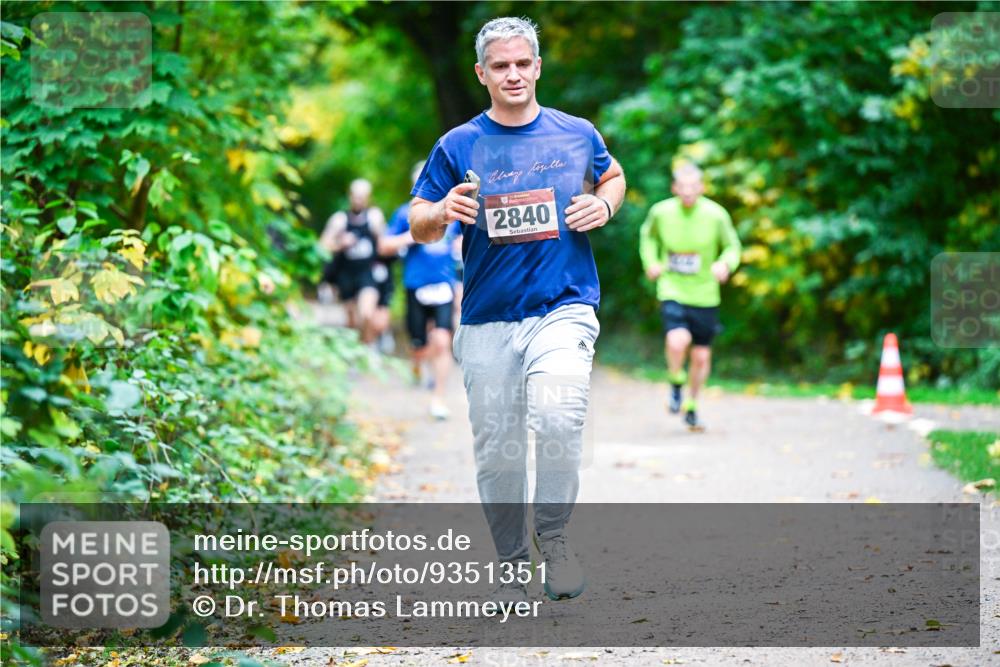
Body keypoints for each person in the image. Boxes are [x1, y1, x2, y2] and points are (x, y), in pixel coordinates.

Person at [408, 17, 626, 604]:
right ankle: (509, 560)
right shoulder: (458, 145)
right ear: (482, 73)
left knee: (559, 416)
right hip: (487, 317)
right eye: (500, 66)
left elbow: (613, 176)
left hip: (564, 306)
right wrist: (443, 211)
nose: (513, 74)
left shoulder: (575, 133)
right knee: (498, 449)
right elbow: (418, 222)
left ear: (537, 67)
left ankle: (552, 538)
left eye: (522, 63)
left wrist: (603, 206)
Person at [639, 162, 741, 432]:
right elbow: (647, 238)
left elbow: (732, 246)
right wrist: (650, 261)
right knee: (677, 340)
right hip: (672, 288)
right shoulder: (660, 212)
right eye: (682, 187)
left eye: (692, 187)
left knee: (701, 358)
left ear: (702, 188)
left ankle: (692, 406)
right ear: (674, 188)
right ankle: (675, 381)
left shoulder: (716, 215)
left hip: (706, 294)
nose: (687, 192)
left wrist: (725, 264)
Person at [381, 161, 460, 420]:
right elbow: (384, 246)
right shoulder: (405, 213)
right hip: (416, 285)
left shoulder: (452, 212)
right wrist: (411, 237)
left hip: (444, 286)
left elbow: (463, 240)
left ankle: (438, 398)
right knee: (419, 346)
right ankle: (417, 364)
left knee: (441, 341)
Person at [318, 179, 386, 345]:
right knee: (351, 320)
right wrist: (341, 243)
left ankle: (369, 347)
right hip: (346, 274)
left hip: (367, 273)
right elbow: (322, 246)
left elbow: (385, 246)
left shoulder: (374, 217)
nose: (359, 200)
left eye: (362, 197)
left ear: (368, 198)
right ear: (350, 196)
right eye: (356, 196)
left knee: (367, 313)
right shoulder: (340, 219)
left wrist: (378, 234)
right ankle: (357, 352)